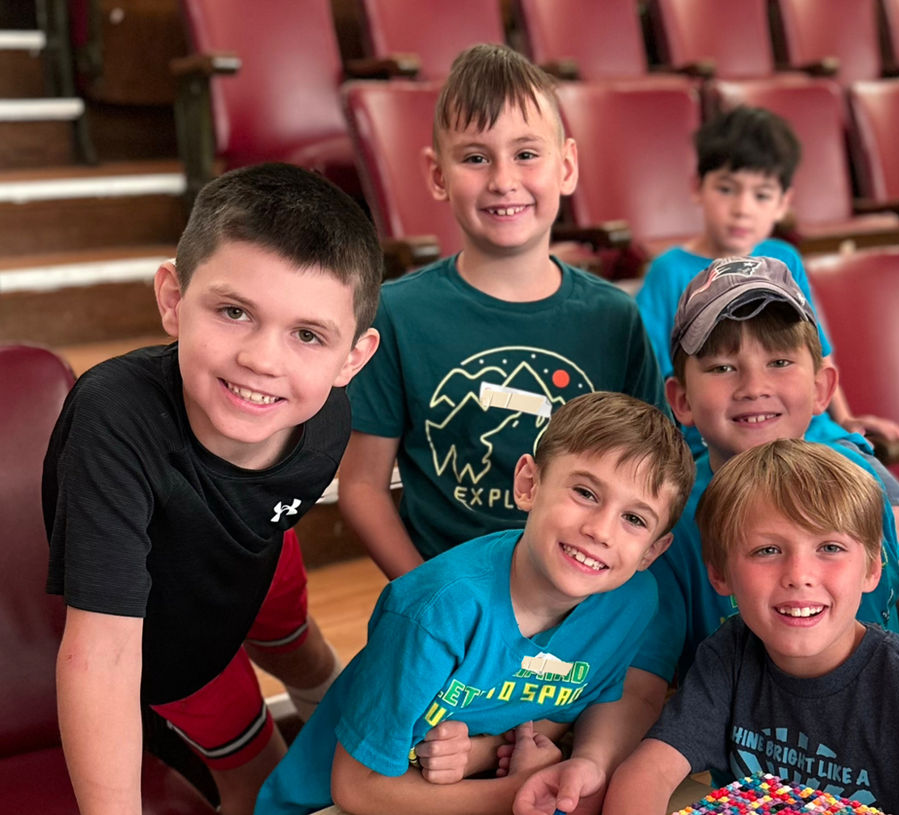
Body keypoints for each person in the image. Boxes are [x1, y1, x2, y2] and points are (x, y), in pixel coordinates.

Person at [514, 256, 899, 813]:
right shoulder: (671, 527)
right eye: (723, 367)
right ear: (681, 400)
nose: (754, 387)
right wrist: (596, 760)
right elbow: (645, 682)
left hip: (890, 738)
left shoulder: (860, 482)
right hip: (751, 741)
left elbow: (890, 583)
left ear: (822, 388)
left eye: (778, 361)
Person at [43, 162, 384, 815]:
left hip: (259, 550)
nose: (263, 360)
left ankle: (329, 730)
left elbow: (269, 506)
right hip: (167, 616)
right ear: (173, 299)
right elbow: (102, 652)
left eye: (307, 334)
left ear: (352, 358)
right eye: (234, 312)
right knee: (265, 785)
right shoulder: (114, 418)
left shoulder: (327, 415)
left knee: (308, 658)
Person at [255, 392, 694, 815]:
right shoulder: (435, 613)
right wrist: (516, 792)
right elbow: (355, 788)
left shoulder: (629, 603)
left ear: (652, 552)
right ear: (528, 484)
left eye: (634, 519)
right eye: (585, 493)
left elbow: (568, 701)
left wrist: (556, 759)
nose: (601, 531)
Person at [592, 440, 899, 815]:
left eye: (830, 548)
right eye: (768, 550)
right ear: (720, 574)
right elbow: (646, 773)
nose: (799, 575)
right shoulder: (729, 657)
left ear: (873, 568)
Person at [338, 43, 668, 579]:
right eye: (475, 157)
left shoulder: (615, 318)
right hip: (448, 595)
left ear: (566, 166)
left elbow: (649, 480)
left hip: (585, 595)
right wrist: (429, 593)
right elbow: (360, 486)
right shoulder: (397, 313)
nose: (503, 180)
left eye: (526, 154)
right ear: (437, 175)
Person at [632, 106, 899, 457]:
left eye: (761, 195)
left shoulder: (784, 258)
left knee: (877, 485)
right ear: (698, 188)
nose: (742, 209)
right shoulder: (668, 272)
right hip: (719, 441)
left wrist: (845, 419)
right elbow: (654, 383)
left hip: (807, 432)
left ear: (783, 203)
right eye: (726, 189)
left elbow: (817, 355)